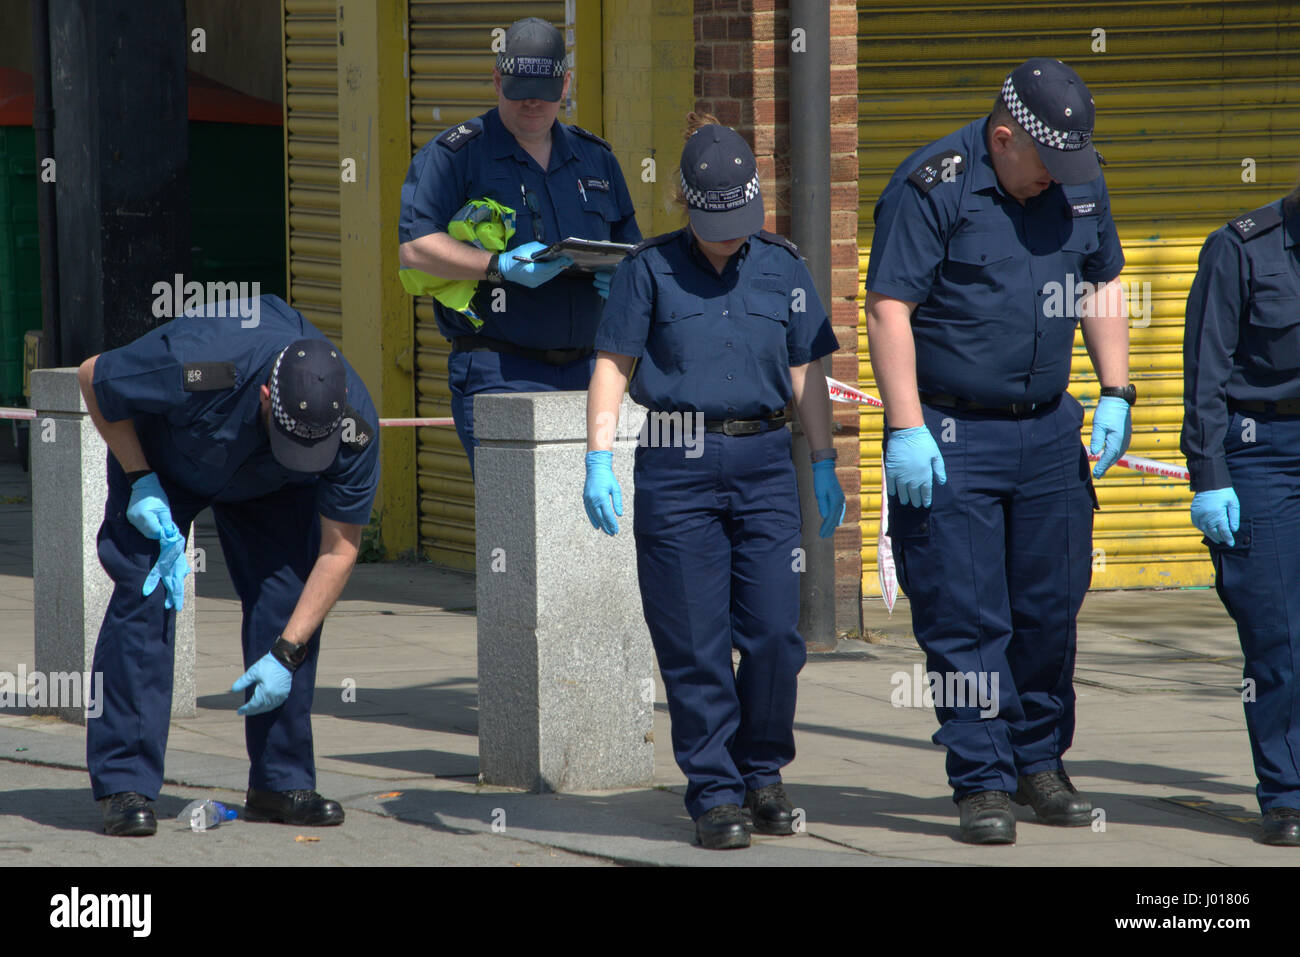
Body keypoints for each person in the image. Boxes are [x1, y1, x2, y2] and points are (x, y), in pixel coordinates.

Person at [864, 58, 1130, 844]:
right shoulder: (933, 186)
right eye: (1045, 164)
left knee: (1051, 608)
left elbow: (1102, 282)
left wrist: (1117, 390)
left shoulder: (1077, 182)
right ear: (1004, 137)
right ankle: (981, 776)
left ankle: (1037, 760)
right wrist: (907, 428)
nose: (1057, 180)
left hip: (1048, 430)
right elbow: (889, 308)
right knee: (965, 616)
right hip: (952, 434)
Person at [582, 117, 844, 850]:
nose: (728, 235)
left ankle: (762, 772)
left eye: (739, 221)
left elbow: (805, 369)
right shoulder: (648, 269)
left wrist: (822, 458)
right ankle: (716, 789)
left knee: (772, 635)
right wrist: (597, 455)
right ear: (685, 204)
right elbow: (613, 364)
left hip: (763, 461)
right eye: (714, 221)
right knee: (695, 641)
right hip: (677, 465)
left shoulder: (783, 267)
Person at [76, 294, 380, 836]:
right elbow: (92, 378)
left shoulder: (353, 424)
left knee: (288, 601)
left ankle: (280, 782)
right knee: (147, 598)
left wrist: (285, 654)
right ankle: (126, 783)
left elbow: (338, 552)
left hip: (274, 485)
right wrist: (140, 479)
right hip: (165, 462)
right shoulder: (198, 360)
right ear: (267, 395)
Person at [398, 16, 641, 470]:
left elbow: (633, 249)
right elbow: (415, 248)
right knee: (519, 525)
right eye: (519, 89)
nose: (532, 103)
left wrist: (623, 276)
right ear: (496, 80)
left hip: (593, 370)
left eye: (545, 92)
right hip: (500, 370)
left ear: (565, 84)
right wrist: (498, 265)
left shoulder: (596, 158)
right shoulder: (456, 157)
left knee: (592, 528)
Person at [1182, 183, 1300, 846]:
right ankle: (1287, 793)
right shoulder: (1241, 248)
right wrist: (1209, 474)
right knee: (1280, 632)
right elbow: (1206, 371)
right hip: (1262, 452)